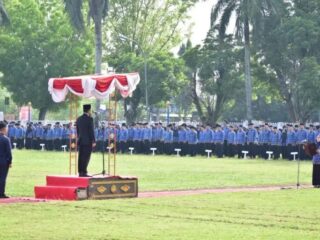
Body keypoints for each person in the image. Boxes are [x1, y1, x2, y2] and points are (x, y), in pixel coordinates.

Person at [76, 104, 96, 177]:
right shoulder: (90, 119)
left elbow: (77, 131)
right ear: (89, 110)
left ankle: (80, 171)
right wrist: (93, 141)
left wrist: (80, 137)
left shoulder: (79, 119)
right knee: (86, 157)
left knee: (81, 156)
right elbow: (91, 131)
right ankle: (84, 172)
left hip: (81, 140)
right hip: (88, 141)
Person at [0, 121, 12, 198]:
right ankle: (1, 193)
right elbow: (9, 152)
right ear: (3, 129)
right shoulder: (6, 139)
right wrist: (10, 161)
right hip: (3, 161)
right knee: (2, 178)